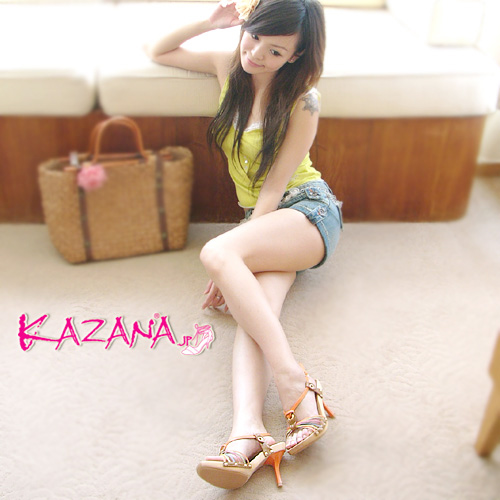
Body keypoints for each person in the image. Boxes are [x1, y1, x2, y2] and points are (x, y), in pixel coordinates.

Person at [145, 0, 343, 490]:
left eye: (275, 51)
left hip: (306, 211)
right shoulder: (229, 64)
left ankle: (294, 382)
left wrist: (232, 253)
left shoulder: (303, 101)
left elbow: (274, 187)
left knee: (215, 252)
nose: (256, 54)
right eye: (254, 37)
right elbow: (158, 50)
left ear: (295, 57)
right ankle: (246, 434)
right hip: (263, 222)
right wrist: (211, 23)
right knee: (256, 317)